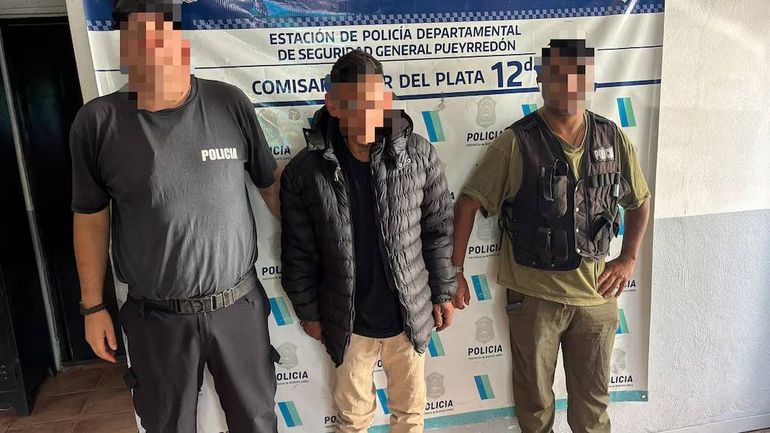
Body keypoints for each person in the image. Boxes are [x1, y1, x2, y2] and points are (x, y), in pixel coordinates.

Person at [69, 1, 281, 431]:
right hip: (156, 320)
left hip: (238, 309)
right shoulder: (98, 122)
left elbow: (271, 187)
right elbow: (90, 218)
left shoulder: (228, 103)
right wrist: (93, 307)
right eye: (137, 39)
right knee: (167, 426)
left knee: (257, 422)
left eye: (159, 35)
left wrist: (315, 260)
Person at [453, 39, 651, 433]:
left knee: (593, 409)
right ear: (542, 80)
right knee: (535, 405)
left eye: (578, 75)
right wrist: (455, 272)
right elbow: (468, 204)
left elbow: (640, 201)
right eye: (558, 75)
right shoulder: (516, 142)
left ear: (590, 81)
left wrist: (628, 258)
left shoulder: (612, 137)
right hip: (534, 300)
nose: (568, 85)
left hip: (596, 299)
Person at [279, 49, 456, 433]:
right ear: (333, 105)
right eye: (352, 104)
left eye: (373, 101)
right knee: (353, 420)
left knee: (410, 416)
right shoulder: (305, 172)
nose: (364, 114)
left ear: (386, 99)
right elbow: (298, 251)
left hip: (409, 316)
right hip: (348, 323)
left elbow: (438, 230)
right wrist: (309, 313)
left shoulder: (418, 155)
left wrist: (443, 291)